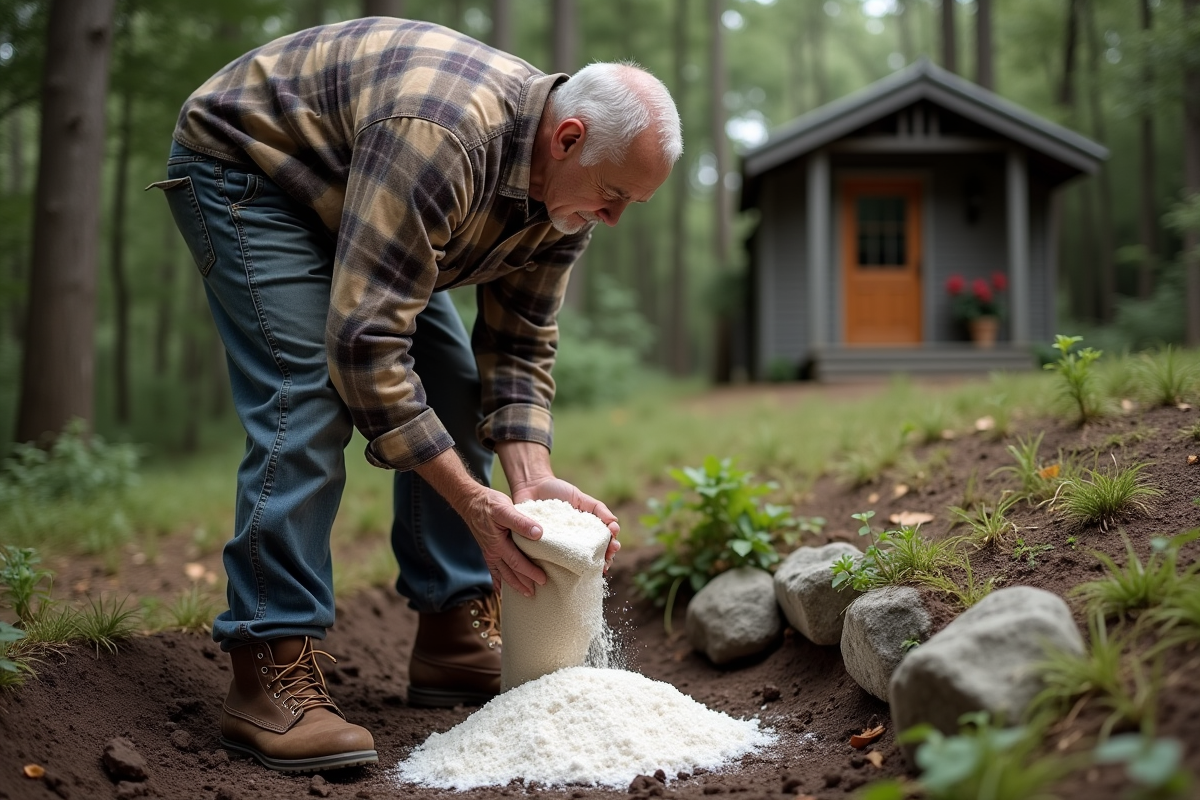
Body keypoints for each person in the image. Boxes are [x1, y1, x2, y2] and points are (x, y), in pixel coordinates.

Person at [150, 16, 682, 774]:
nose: (614, 218)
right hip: (258, 167)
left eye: (633, 203)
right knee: (308, 394)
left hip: (367, 195)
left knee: (453, 382)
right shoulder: (446, 139)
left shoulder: (569, 197)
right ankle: (268, 667)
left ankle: (452, 629)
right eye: (614, 195)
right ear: (567, 138)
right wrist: (472, 501)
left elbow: (519, 344)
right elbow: (365, 347)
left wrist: (530, 480)